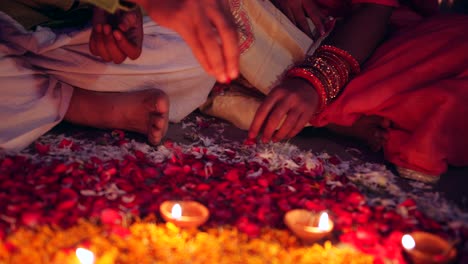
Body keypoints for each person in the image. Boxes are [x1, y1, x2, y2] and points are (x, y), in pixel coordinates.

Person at [201, 0, 468, 183]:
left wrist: (315, 82)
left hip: (370, 43)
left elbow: (374, 10)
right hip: (268, 23)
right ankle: (337, 114)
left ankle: (330, 111)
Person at [0, 0, 240, 150]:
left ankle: (33, 91)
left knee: (199, 51)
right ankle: (83, 105)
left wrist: (117, 7)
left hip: (67, 34)